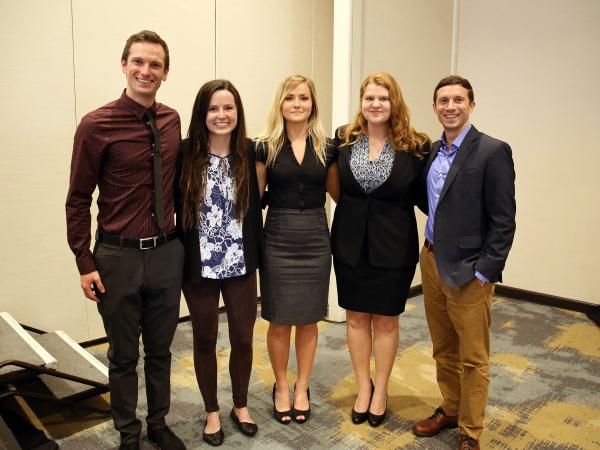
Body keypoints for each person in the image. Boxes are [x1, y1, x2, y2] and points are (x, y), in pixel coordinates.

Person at [66, 30, 185, 450]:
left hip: (168, 254)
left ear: (165, 72)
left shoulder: (172, 120)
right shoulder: (96, 125)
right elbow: (78, 199)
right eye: (138, 61)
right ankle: (128, 433)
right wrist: (84, 261)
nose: (145, 70)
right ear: (123, 65)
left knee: (160, 350)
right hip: (117, 257)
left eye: (155, 64)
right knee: (122, 355)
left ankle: (158, 423)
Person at [412, 75, 516, 450]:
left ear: (471, 105)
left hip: (471, 270)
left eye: (458, 100)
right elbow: (433, 203)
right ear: (435, 106)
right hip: (432, 260)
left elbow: (504, 220)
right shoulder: (431, 152)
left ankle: (471, 430)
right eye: (443, 100)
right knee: (443, 347)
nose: (450, 106)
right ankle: (451, 408)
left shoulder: (492, 151)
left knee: (473, 357)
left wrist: (486, 270)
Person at [328, 72, 429, 428]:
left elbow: (428, 197)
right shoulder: (342, 139)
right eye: (369, 98)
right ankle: (362, 388)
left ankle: (381, 390)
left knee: (386, 321)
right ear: (361, 102)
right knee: (355, 319)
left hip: (394, 247)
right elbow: (335, 187)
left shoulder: (416, 146)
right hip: (350, 245)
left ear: (394, 102)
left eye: (383, 99)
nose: (375, 104)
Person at [177, 80, 263, 446]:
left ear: (238, 113)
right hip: (199, 264)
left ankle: (239, 405)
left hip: (241, 261)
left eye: (228, 108)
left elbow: (261, 203)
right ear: (202, 113)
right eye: (213, 108)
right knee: (205, 337)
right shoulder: (184, 154)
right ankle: (212, 410)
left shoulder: (251, 151)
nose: (221, 115)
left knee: (243, 337)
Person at [255, 75, 332, 425]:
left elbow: (338, 194)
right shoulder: (264, 147)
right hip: (279, 237)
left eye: (304, 97)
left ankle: (303, 386)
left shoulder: (327, 148)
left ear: (312, 103)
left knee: (309, 320)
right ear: (280, 103)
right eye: (290, 98)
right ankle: (282, 386)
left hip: (316, 237)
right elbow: (254, 198)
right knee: (280, 320)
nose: (297, 104)